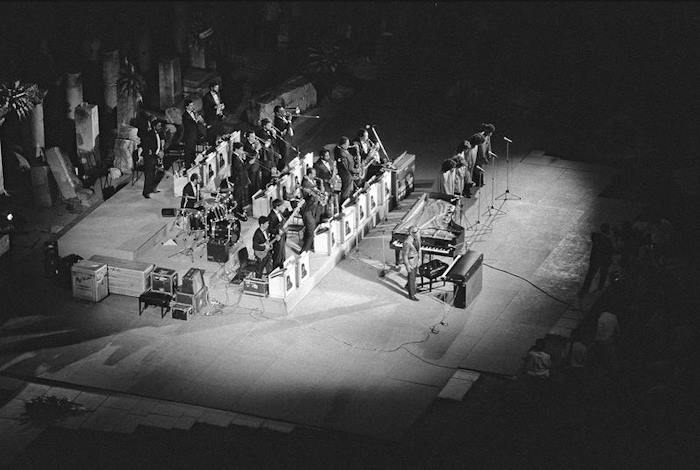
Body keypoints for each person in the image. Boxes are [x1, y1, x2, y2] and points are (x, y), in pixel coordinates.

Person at [579, 222, 615, 296]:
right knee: (603, 274)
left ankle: (584, 290)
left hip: (595, 259)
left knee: (590, 275)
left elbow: (593, 236)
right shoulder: (608, 241)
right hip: (604, 260)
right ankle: (600, 288)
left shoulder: (596, 236)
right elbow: (612, 250)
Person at [300, 167, 323, 253]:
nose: (315, 175)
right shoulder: (306, 183)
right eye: (314, 174)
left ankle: (311, 244)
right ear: (309, 174)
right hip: (308, 208)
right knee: (310, 229)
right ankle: (304, 250)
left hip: (313, 208)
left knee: (310, 229)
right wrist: (316, 194)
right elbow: (310, 195)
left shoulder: (311, 181)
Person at [267, 198, 292, 270]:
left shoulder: (279, 213)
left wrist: (291, 208)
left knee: (282, 253)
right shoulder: (271, 216)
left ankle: (282, 267)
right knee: (278, 255)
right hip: (277, 238)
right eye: (282, 206)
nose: (283, 207)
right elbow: (270, 229)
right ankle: (276, 270)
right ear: (277, 207)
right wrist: (277, 231)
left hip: (282, 236)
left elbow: (286, 215)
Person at [140, 118, 162, 198]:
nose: (160, 127)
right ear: (154, 126)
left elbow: (158, 145)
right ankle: (146, 192)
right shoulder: (149, 134)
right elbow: (146, 145)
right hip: (150, 157)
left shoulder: (157, 133)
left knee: (153, 174)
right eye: (158, 125)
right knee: (149, 175)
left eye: (160, 125)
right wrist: (152, 152)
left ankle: (152, 189)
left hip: (155, 156)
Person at [334, 136, 359, 206]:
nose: (349, 145)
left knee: (350, 191)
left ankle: (348, 203)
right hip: (347, 176)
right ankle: (343, 205)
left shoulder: (345, 151)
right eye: (347, 143)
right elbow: (347, 167)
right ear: (343, 144)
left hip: (350, 175)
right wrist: (356, 170)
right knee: (346, 192)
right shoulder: (342, 153)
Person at [314, 148, 338, 218]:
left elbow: (333, 170)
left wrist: (334, 173)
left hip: (331, 184)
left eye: (328, 155)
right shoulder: (317, 165)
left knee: (331, 199)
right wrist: (326, 180)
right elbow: (315, 177)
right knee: (324, 202)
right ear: (322, 157)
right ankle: (324, 216)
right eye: (326, 156)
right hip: (324, 186)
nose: (328, 157)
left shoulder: (330, 161)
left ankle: (331, 213)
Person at [181, 98, 203, 168]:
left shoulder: (193, 113)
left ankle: (193, 165)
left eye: (192, 105)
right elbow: (189, 125)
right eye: (190, 105)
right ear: (186, 107)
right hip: (189, 136)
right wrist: (196, 119)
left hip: (194, 135)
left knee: (193, 151)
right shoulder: (185, 115)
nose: (192, 107)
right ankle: (188, 167)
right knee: (188, 153)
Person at [401, 225, 421, 301]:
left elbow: (418, 249)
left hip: (415, 260)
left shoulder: (417, 238)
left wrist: (419, 259)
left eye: (418, 230)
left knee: (413, 276)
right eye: (416, 232)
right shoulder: (407, 242)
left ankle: (408, 286)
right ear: (411, 233)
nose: (418, 233)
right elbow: (404, 255)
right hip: (410, 261)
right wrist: (407, 266)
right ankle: (411, 295)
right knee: (411, 277)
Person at [202, 81, 225, 145]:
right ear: (212, 88)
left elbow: (219, 102)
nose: (217, 89)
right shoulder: (206, 97)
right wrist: (215, 107)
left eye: (218, 87)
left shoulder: (218, 94)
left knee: (218, 132)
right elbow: (206, 109)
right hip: (211, 118)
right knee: (211, 135)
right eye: (216, 88)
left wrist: (222, 106)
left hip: (218, 117)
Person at [473, 123, 495, 188]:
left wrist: (489, 153)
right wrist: (484, 159)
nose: (491, 134)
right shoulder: (481, 137)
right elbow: (481, 150)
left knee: (481, 169)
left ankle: (481, 182)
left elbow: (488, 145)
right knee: (478, 169)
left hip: (482, 155)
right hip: (478, 156)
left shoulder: (488, 136)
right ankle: (478, 183)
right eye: (491, 132)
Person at [231, 142, 251, 209]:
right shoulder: (235, 157)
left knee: (241, 195)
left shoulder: (238, 157)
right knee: (238, 195)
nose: (242, 151)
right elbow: (241, 169)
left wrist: (244, 160)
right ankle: (236, 209)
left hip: (242, 178)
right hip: (239, 179)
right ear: (236, 149)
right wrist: (249, 163)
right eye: (241, 149)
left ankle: (241, 207)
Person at [243, 130, 262, 195]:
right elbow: (251, 155)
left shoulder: (255, 143)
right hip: (251, 167)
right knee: (252, 183)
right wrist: (256, 149)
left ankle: (258, 194)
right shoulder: (246, 145)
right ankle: (252, 196)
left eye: (254, 136)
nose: (254, 138)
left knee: (258, 181)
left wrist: (259, 148)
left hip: (257, 165)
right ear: (248, 138)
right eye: (252, 137)